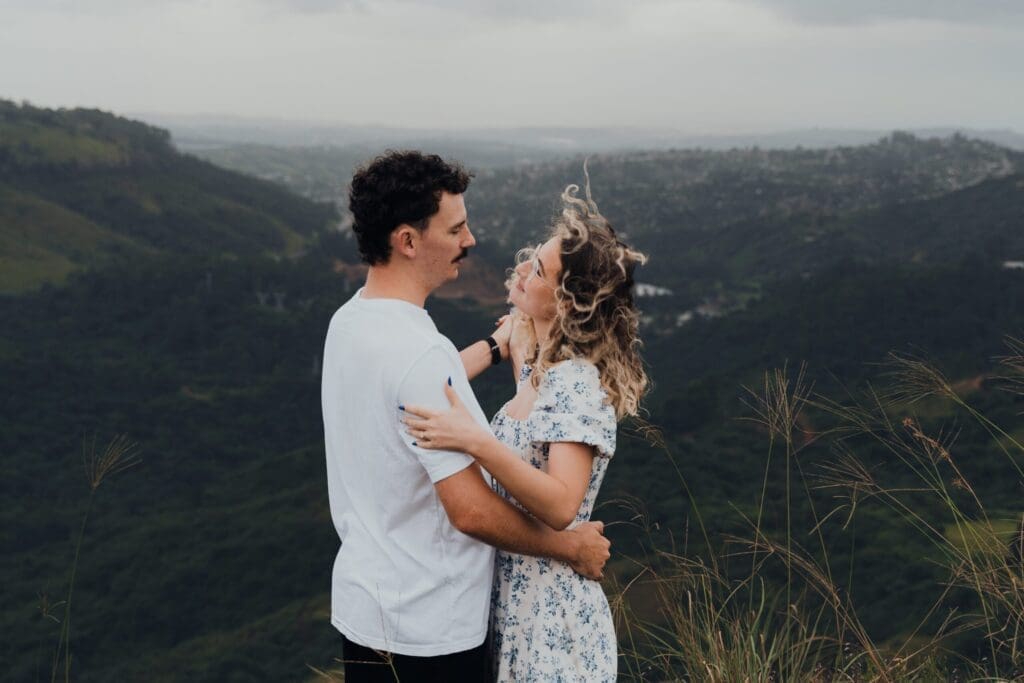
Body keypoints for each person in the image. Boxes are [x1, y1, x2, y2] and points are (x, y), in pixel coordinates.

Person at [320, 150, 612, 682]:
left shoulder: (350, 322)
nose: (470, 240)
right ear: (408, 241)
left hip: (367, 610)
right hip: (431, 627)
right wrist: (569, 545)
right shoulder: (421, 354)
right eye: (456, 228)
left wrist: (494, 348)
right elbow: (471, 513)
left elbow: (416, 382)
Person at [403, 177, 648, 682]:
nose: (520, 268)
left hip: (552, 614)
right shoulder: (539, 363)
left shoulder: (575, 382)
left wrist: (475, 441)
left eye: (537, 269)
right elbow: (442, 378)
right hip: (514, 601)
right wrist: (501, 343)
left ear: (567, 302)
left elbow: (561, 504)